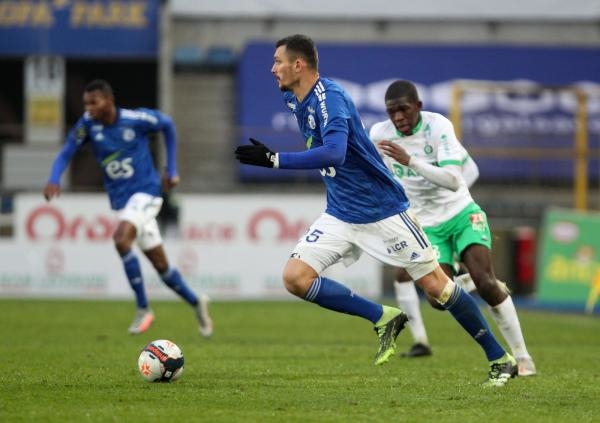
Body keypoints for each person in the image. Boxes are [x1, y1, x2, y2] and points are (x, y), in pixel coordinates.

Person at [234, 34, 517, 386]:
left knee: (437, 289)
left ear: (298, 65)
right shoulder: (296, 99)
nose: (272, 68)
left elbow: (335, 152)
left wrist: (276, 160)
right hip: (340, 212)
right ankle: (383, 317)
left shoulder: (329, 98)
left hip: (383, 210)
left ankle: (499, 357)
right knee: (295, 277)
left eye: (278, 61)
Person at [369, 79, 536, 376]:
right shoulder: (379, 134)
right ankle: (466, 282)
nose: (398, 118)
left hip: (460, 213)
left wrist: (412, 162)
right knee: (437, 299)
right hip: (426, 226)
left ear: (418, 106)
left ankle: (523, 359)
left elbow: (455, 178)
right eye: (392, 112)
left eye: (404, 110)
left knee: (487, 283)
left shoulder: (439, 127)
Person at [43, 79, 213, 337]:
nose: (88, 108)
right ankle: (196, 301)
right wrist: (54, 178)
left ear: (109, 101)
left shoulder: (135, 119)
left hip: (147, 192)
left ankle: (143, 308)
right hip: (123, 202)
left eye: (93, 102)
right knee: (162, 267)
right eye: (85, 103)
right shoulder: (88, 125)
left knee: (121, 239)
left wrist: (172, 169)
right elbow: (67, 151)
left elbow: (167, 125)